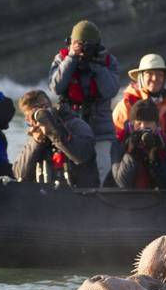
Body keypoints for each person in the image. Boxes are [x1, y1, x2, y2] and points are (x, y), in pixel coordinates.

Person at [111, 53, 166, 187]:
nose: (155, 78)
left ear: (165, 78)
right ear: (140, 77)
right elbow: (115, 145)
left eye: (159, 74)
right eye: (149, 74)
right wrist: (132, 149)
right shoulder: (125, 106)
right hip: (132, 175)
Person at [48, 20, 120, 184]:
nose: (83, 50)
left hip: (100, 130)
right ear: (70, 43)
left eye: (87, 46)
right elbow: (55, 87)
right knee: (71, 175)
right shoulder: (62, 59)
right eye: (77, 44)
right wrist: (71, 59)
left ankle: (104, 206)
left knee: (104, 175)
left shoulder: (108, 62)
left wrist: (97, 66)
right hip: (71, 130)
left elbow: (110, 90)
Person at [12, 90, 98, 188]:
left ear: (52, 107)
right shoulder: (34, 138)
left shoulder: (75, 125)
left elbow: (81, 156)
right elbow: (19, 175)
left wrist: (53, 131)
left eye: (45, 108)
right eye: (34, 116)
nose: (41, 116)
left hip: (80, 195)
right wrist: (36, 142)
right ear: (28, 120)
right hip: (47, 197)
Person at [108, 98, 166, 190]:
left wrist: (153, 159)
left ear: (156, 125)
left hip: (155, 200)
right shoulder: (120, 143)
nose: (143, 127)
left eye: (148, 123)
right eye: (139, 123)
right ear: (132, 124)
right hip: (124, 201)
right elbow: (122, 184)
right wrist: (131, 155)